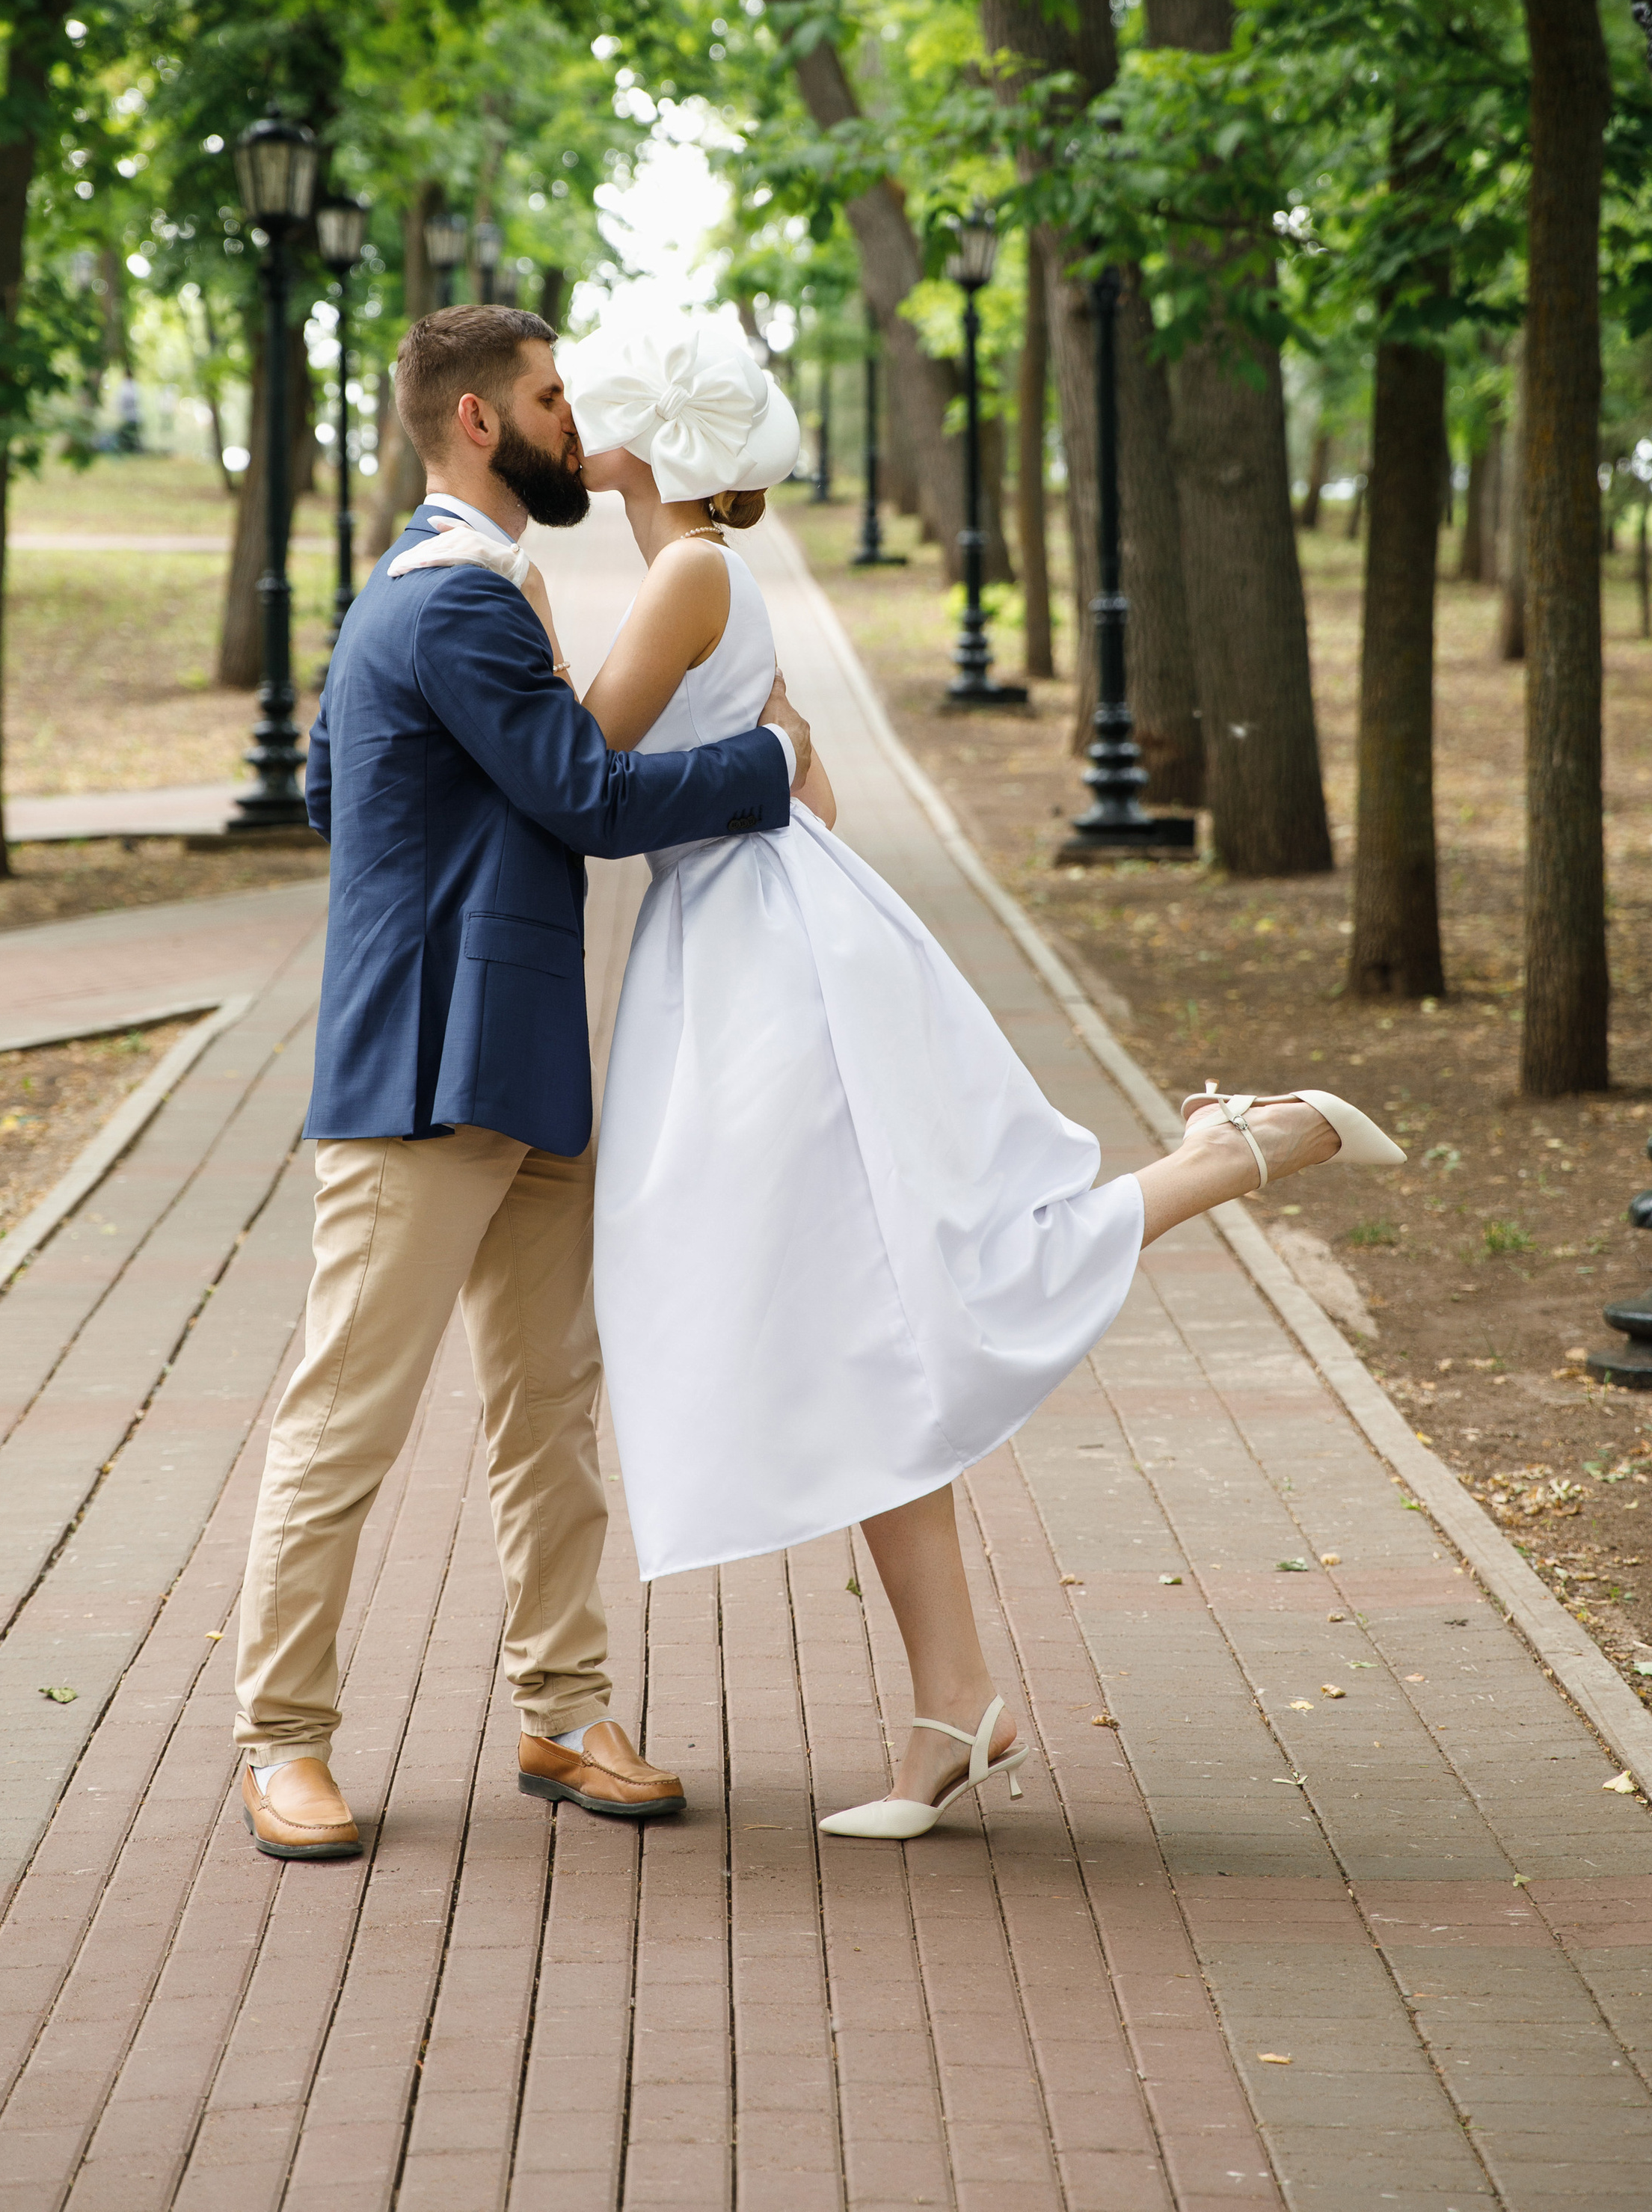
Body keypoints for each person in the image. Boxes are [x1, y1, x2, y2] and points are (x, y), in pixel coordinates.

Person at [552, 311, 1403, 1843]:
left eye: (592, 405)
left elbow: (585, 781)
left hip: (758, 963)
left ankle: (1223, 1157)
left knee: (890, 1289)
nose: (570, 423)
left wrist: (525, 656)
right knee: (858, 1324)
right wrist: (772, 748)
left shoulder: (683, 568)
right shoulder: (693, 573)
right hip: (742, 941)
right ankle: (953, 1705)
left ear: (656, 439)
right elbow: (795, 769)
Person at [232, 305, 816, 1861]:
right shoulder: (451, 604)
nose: (580, 418)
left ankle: (563, 1714)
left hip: (524, 1065)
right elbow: (593, 801)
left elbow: (330, 790)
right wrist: (772, 757)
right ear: (481, 423)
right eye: (556, 398)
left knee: (547, 1412)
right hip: (421, 1080)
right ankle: (280, 1742)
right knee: (344, 1420)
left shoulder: (433, 599)